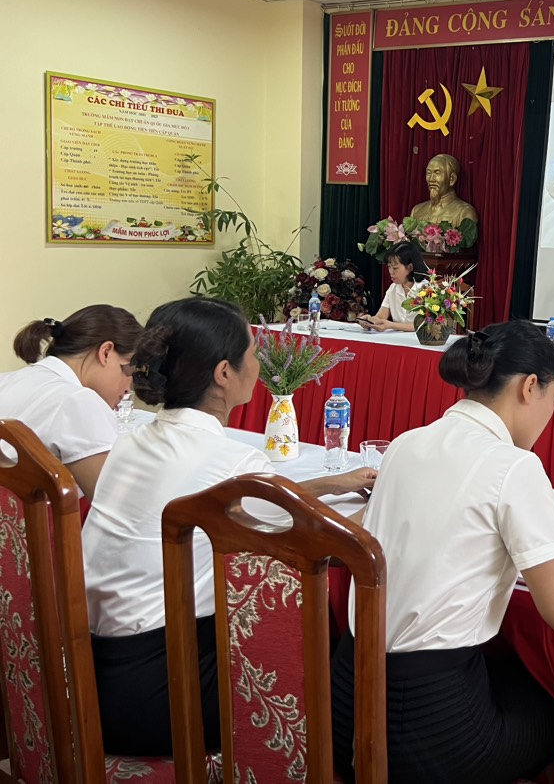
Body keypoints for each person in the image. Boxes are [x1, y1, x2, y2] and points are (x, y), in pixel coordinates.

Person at [331, 320, 554, 784]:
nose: (549, 418)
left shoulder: (407, 443)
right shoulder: (514, 466)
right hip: (427, 730)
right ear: (530, 387)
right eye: (552, 401)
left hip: (345, 702)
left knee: (506, 672)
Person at [82, 297, 377, 757]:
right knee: (330, 640)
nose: (258, 365)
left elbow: (244, 495)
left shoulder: (132, 442)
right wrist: (395, 498)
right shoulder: (233, 463)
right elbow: (336, 541)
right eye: (253, 353)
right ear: (224, 373)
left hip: (95, 679)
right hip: (164, 697)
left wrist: (330, 483)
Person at [0, 305, 143, 500]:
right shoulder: (79, 401)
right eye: (127, 371)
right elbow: (116, 505)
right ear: (106, 352)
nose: (128, 388)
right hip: (40, 519)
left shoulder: (5, 380)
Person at [360, 242, 427, 332]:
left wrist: (391, 325)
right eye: (389, 267)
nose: (391, 272)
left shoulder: (426, 289)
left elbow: (424, 325)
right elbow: (380, 317)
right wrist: (369, 320)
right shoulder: (393, 288)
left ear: (410, 267)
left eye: (395, 268)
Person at [410, 153, 479, 228]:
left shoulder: (464, 212)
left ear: (452, 179)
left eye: (437, 173)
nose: (431, 179)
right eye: (429, 173)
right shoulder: (417, 210)